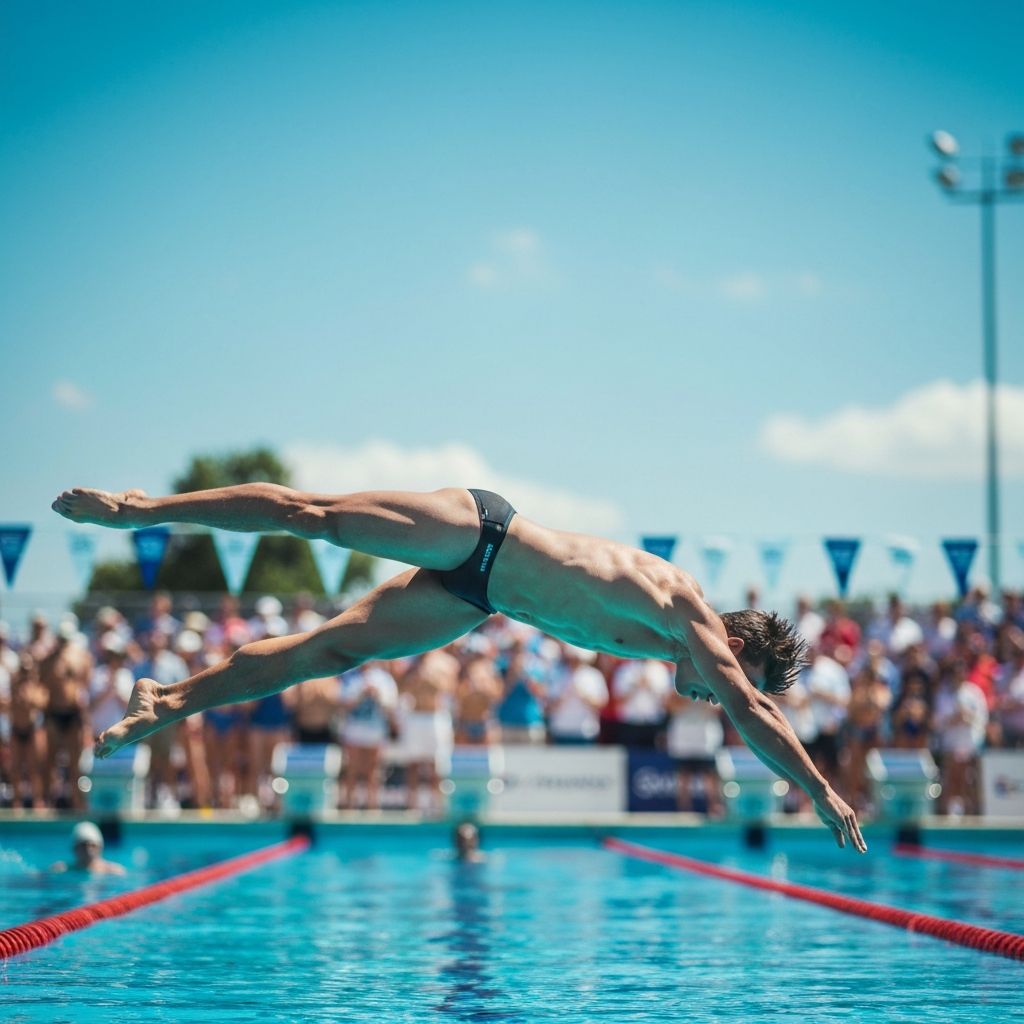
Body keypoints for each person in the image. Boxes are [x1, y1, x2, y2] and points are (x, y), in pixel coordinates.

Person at [52, 483, 866, 851]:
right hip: (481, 533)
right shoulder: (687, 612)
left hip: (479, 599)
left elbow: (744, 704)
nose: (720, 697)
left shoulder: (667, 647)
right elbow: (752, 712)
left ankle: (169, 698)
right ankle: (140, 510)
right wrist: (821, 789)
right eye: (738, 680)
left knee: (327, 652)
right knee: (316, 517)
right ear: (736, 650)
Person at [51, 820, 125, 875]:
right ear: (75, 849)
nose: (88, 849)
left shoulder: (114, 871)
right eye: (84, 845)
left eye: (93, 845)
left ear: (100, 848)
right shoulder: (63, 869)